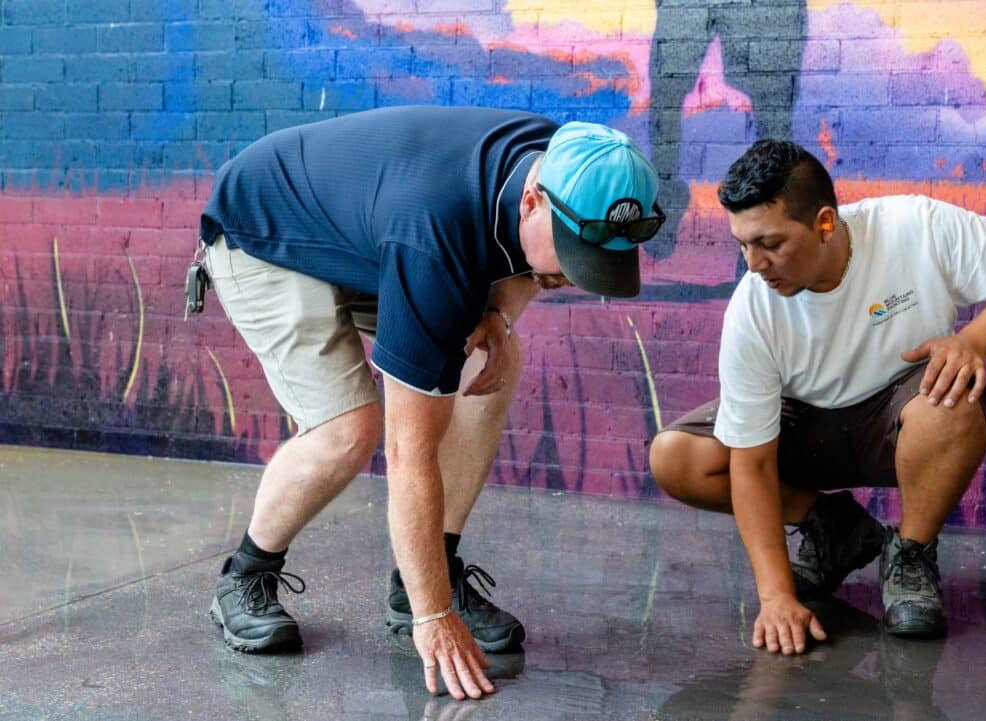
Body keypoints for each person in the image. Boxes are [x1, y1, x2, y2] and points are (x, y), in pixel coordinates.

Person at [198, 105, 663, 700]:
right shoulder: (437, 232)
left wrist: (497, 315)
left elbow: (529, 264)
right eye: (572, 255)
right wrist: (433, 616)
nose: (577, 277)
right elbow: (409, 450)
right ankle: (245, 576)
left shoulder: (583, 163)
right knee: (350, 429)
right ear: (532, 202)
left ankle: (425, 571)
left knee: (487, 359)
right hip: (264, 234)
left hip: (367, 234)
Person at [649, 139, 986, 649]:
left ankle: (911, 556)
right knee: (676, 457)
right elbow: (752, 464)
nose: (754, 263)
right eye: (742, 244)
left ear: (824, 223)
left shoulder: (914, 226)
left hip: (901, 421)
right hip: (802, 434)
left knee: (952, 401)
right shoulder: (753, 308)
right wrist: (776, 596)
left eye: (770, 243)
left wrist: (973, 341)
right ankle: (833, 528)